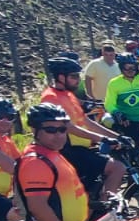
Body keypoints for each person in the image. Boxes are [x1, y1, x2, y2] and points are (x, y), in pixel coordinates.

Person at [41, 57, 126, 199]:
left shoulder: (68, 95)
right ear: (61, 77)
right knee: (117, 168)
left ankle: (100, 205)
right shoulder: (51, 98)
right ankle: (106, 206)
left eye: (78, 76)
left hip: (82, 148)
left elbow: (86, 121)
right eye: (74, 76)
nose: (78, 80)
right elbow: (68, 127)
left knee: (92, 187)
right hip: (68, 150)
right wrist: (102, 139)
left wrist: (117, 136)